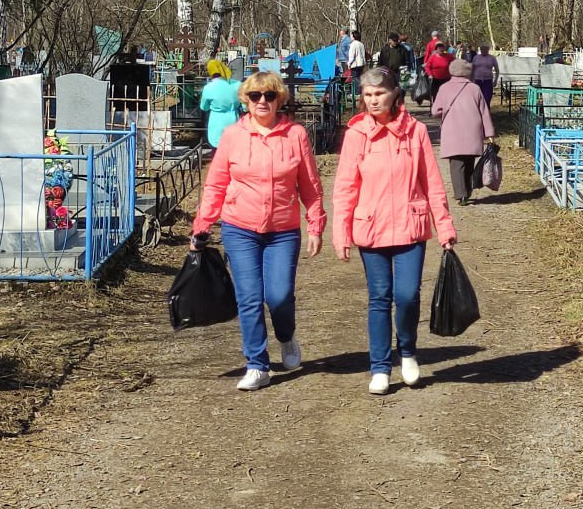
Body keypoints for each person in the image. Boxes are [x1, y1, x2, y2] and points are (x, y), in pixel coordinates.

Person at [191, 71, 326, 391]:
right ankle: (257, 364)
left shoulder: (295, 135)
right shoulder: (233, 136)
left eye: (269, 95)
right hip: (240, 228)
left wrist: (316, 224)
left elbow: (310, 185)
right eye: (255, 96)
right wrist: (202, 225)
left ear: (280, 99)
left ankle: (286, 336)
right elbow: (216, 184)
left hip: (282, 229)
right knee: (249, 298)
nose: (262, 101)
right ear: (246, 100)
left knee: (278, 297)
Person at [333, 68, 457, 395]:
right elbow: (345, 187)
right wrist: (341, 232)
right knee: (379, 298)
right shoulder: (356, 133)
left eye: (379, 93)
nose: (373, 100)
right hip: (370, 229)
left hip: (409, 227)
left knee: (407, 295)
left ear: (393, 94)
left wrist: (443, 226)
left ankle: (408, 352)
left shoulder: (414, 131)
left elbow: (431, 182)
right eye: (368, 95)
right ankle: (379, 367)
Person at [433, 57, 495, 205]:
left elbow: (435, 110)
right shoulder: (475, 88)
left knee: (456, 163)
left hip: (452, 131)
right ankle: (467, 191)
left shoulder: (444, 88)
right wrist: (490, 133)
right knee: (469, 162)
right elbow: (484, 112)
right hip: (472, 131)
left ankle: (460, 194)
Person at [198, 59, 242, 148]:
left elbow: (204, 107)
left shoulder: (208, 88)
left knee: (218, 148)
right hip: (234, 119)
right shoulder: (237, 85)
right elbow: (245, 105)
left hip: (216, 121)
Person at [347, 29, 367, 97]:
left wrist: (349, 63)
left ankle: (357, 92)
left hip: (355, 64)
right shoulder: (361, 44)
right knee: (359, 77)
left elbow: (352, 56)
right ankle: (360, 91)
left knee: (355, 78)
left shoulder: (353, 45)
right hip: (361, 63)